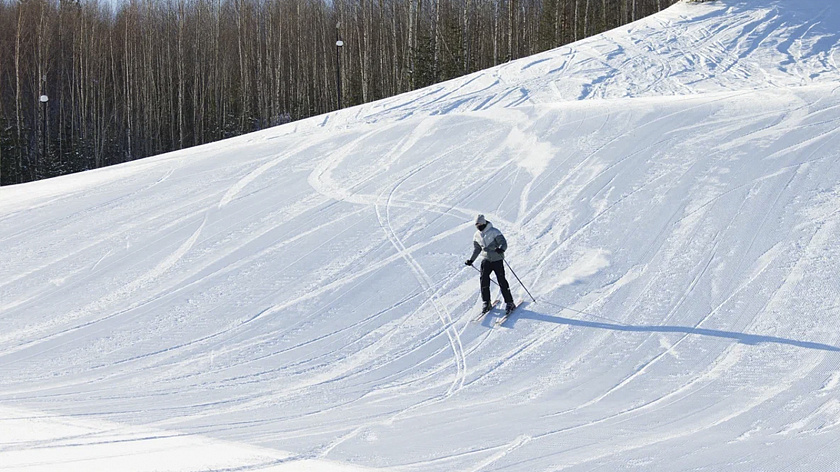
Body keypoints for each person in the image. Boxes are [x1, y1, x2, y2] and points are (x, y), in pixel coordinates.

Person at [465, 214, 515, 315]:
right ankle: (486, 302)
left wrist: (501, 249)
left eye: (479, 224)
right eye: (476, 224)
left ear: (483, 223)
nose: (478, 226)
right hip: (486, 260)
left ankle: (509, 302)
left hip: (497, 260)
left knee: (501, 280)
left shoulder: (494, 231)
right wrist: (471, 260)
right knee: (484, 281)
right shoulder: (477, 235)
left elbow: (503, 243)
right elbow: (477, 249)